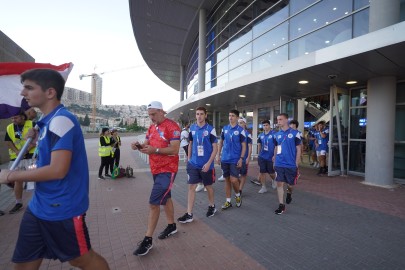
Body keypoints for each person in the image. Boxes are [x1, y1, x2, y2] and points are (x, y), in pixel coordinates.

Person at [0, 68, 109, 269]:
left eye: (29, 88)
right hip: (39, 207)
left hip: (62, 208)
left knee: (81, 259)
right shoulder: (46, 122)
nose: (23, 93)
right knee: (24, 263)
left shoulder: (61, 120)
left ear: (50, 92)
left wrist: (13, 175)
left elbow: (58, 170)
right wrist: (37, 135)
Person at [131, 101, 180, 256]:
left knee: (154, 203)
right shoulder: (152, 127)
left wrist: (156, 150)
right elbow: (147, 146)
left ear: (161, 111)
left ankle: (148, 239)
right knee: (166, 198)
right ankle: (172, 225)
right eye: (149, 115)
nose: (151, 118)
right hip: (156, 169)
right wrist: (138, 146)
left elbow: (175, 148)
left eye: (153, 114)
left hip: (168, 170)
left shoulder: (173, 126)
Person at [177, 106, 218, 223]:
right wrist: (189, 159)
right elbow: (190, 143)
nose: (199, 116)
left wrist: (209, 162)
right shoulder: (192, 128)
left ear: (205, 115)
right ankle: (189, 214)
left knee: (208, 187)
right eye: (197, 114)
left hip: (206, 165)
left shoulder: (210, 129)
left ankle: (212, 206)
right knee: (191, 187)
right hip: (194, 164)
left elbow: (215, 148)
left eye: (201, 114)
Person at [4, 111, 36, 214]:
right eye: (12, 118)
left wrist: (26, 150)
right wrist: (17, 152)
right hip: (16, 158)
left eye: (16, 118)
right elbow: (8, 142)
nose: (14, 120)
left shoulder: (32, 124)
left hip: (31, 156)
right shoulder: (9, 127)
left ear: (22, 117)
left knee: (34, 179)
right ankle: (18, 202)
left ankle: (37, 201)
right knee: (17, 180)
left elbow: (37, 139)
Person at [216, 109, 246, 210]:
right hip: (225, 159)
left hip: (235, 159)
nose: (230, 117)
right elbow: (221, 142)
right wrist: (218, 155)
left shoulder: (241, 130)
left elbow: (244, 146)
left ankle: (237, 195)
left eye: (233, 116)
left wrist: (241, 158)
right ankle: (228, 201)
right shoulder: (225, 129)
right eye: (229, 115)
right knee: (227, 180)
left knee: (234, 180)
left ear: (237, 117)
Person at [273, 113, 301, 215]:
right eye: (277, 120)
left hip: (291, 164)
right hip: (279, 163)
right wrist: (275, 160)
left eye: (280, 119)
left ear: (286, 120)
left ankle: (289, 193)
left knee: (290, 185)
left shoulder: (295, 133)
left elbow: (299, 149)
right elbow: (276, 148)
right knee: (279, 183)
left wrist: (297, 162)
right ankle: (281, 205)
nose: (278, 121)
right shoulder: (277, 134)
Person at [257, 120, 276, 194]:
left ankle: (274, 180)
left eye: (267, 125)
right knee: (262, 172)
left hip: (270, 157)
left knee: (271, 172)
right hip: (262, 156)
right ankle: (263, 187)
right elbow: (259, 145)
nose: (265, 127)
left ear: (270, 126)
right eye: (264, 125)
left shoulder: (274, 134)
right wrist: (259, 154)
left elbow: (277, 146)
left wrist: (275, 155)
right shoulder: (260, 135)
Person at [237, 117, 252, 196]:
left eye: (242, 122)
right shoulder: (236, 133)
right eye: (239, 123)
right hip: (235, 158)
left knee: (243, 174)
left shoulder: (247, 134)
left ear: (245, 124)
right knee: (234, 176)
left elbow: (250, 146)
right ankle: (239, 186)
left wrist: (248, 157)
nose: (240, 124)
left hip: (243, 159)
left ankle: (240, 189)